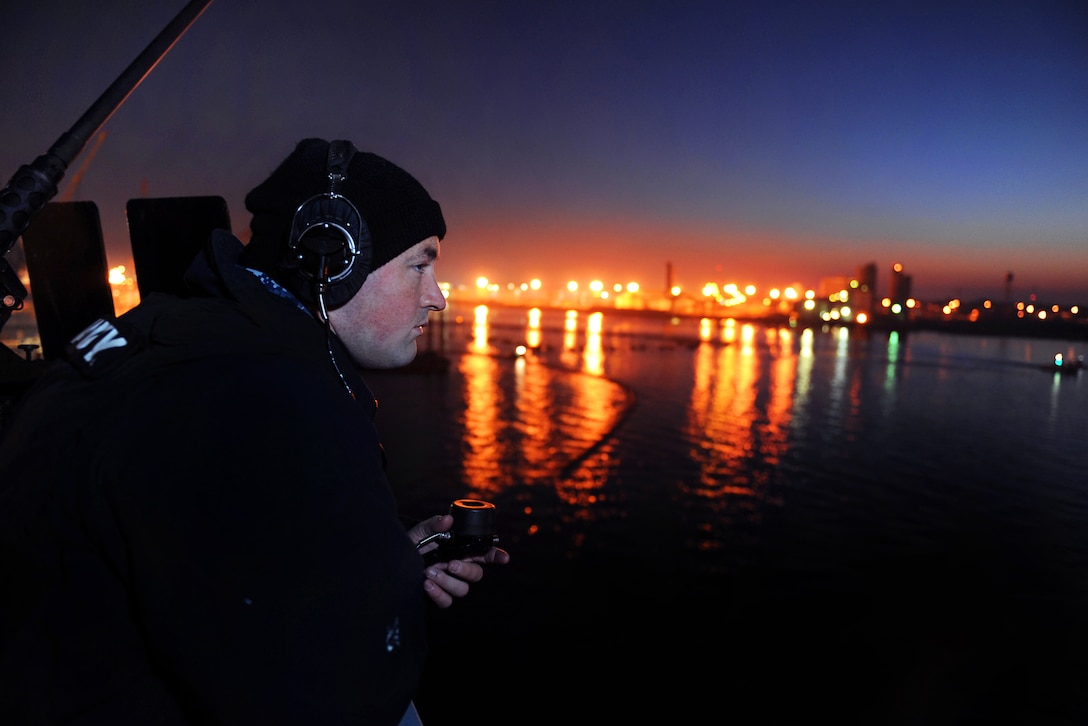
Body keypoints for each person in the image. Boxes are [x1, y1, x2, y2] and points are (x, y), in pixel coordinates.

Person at [0, 138, 510, 725]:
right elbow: (346, 690)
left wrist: (384, 552)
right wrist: (385, 583)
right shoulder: (273, 403)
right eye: (420, 264)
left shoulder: (180, 332)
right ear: (335, 261)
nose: (438, 298)